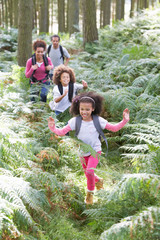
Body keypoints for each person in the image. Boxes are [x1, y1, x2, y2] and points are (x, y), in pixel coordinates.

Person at [48, 92, 130, 205]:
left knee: (90, 171)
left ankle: (89, 196)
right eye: (82, 109)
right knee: (87, 174)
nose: (84, 112)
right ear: (78, 108)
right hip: (82, 152)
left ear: (93, 109)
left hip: (95, 150)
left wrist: (124, 120)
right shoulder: (74, 121)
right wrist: (53, 127)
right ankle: (99, 181)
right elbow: (61, 132)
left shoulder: (98, 120)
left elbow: (114, 128)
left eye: (87, 109)